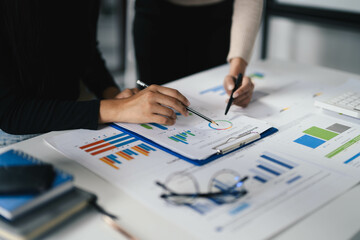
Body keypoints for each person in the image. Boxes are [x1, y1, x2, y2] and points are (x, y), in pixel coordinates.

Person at [0, 0, 190, 147]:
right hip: (15, 134)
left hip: (68, 113)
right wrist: (117, 108)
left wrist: (114, 95)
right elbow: (11, 113)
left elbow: (85, 52)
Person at [133, 0, 263, 108]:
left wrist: (236, 72)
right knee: (155, 104)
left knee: (208, 100)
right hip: (156, 16)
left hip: (217, 19)